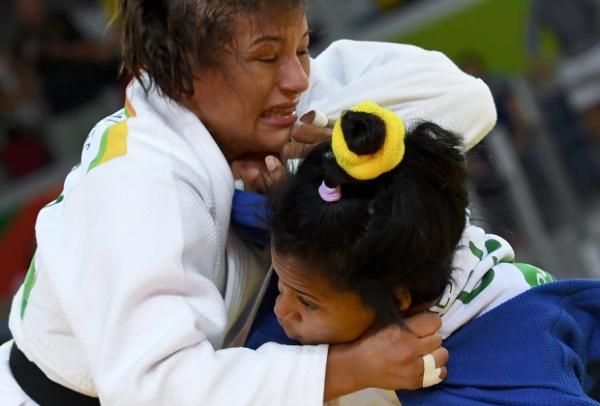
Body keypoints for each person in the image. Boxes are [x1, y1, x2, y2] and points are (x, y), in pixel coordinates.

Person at [0, 0, 498, 404]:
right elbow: (151, 387)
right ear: (182, 69)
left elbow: (466, 100)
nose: (298, 78)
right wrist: (348, 368)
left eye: (303, 48)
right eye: (266, 57)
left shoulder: (270, 106)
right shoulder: (142, 182)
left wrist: (323, 133)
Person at [247, 102, 600, 405]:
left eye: (308, 303)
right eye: (281, 285)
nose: (283, 310)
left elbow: (468, 94)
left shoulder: (510, 375)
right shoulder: (416, 224)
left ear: (397, 298)